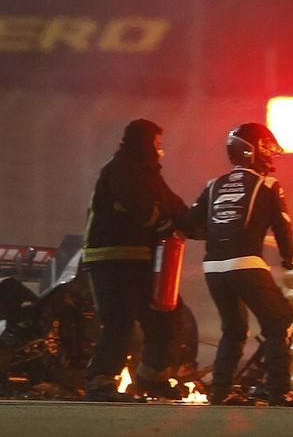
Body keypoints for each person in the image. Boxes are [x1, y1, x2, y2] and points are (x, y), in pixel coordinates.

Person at [179, 123, 293, 406]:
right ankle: (279, 390)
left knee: (234, 329)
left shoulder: (213, 185)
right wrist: (289, 257)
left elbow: (189, 226)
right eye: (267, 149)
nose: (270, 156)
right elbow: (282, 226)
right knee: (278, 321)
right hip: (247, 264)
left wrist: (215, 232)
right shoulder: (268, 185)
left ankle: (221, 391)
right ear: (252, 150)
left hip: (213, 268)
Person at [82, 118, 189, 401]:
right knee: (120, 321)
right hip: (111, 258)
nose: (160, 149)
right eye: (156, 143)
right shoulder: (121, 170)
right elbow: (142, 207)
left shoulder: (147, 173)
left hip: (140, 260)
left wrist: (197, 222)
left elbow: (171, 204)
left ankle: (151, 379)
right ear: (143, 143)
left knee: (165, 317)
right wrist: (165, 224)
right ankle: (100, 381)